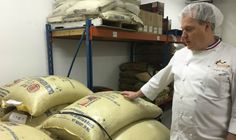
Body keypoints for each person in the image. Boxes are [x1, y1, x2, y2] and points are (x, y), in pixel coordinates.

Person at [121, 2, 236, 140]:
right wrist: (137, 94)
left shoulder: (231, 56)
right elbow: (160, 79)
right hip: (179, 133)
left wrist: (233, 133)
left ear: (207, 26)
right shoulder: (180, 55)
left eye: (189, 29)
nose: (183, 36)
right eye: (182, 30)